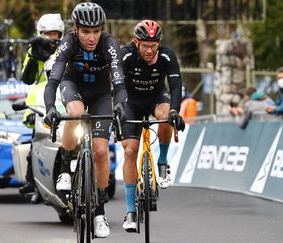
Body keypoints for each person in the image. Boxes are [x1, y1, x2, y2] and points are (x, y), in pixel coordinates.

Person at [43, 2, 127, 238]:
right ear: (75, 29)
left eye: (96, 31)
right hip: (74, 86)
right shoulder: (67, 43)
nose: (92, 37)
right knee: (76, 113)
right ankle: (65, 166)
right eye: (86, 32)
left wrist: (120, 104)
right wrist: (50, 107)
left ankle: (99, 212)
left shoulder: (109, 44)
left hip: (101, 92)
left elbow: (119, 82)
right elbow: (53, 82)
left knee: (101, 151)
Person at [119, 19, 185, 232]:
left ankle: (163, 162)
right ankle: (130, 211)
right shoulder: (126, 54)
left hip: (157, 97)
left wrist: (176, 111)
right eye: (145, 45)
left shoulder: (167, 55)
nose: (149, 50)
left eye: (153, 45)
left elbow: (176, 85)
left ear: (159, 43)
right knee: (130, 151)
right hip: (131, 102)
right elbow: (116, 83)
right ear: (136, 43)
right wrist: (116, 108)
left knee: (167, 115)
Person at [18, 13, 65, 204]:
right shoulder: (34, 49)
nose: (52, 38)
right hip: (39, 103)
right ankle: (33, 181)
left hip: (64, 99)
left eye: (55, 34)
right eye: (48, 34)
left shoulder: (68, 48)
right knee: (35, 141)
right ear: (40, 34)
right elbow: (27, 78)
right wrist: (33, 56)